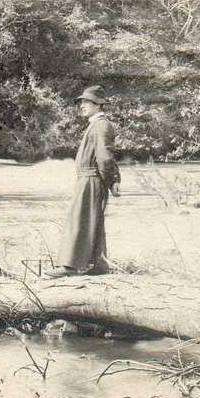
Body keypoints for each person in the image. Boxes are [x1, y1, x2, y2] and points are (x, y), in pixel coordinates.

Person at [45, 85, 121, 278]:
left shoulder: (101, 125)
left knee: (79, 220)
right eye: (81, 102)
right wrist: (111, 180)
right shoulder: (96, 124)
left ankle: (69, 266)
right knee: (91, 220)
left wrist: (111, 181)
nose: (82, 106)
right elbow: (106, 156)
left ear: (98, 105)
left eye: (86, 102)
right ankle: (99, 264)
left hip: (91, 179)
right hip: (89, 178)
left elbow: (105, 157)